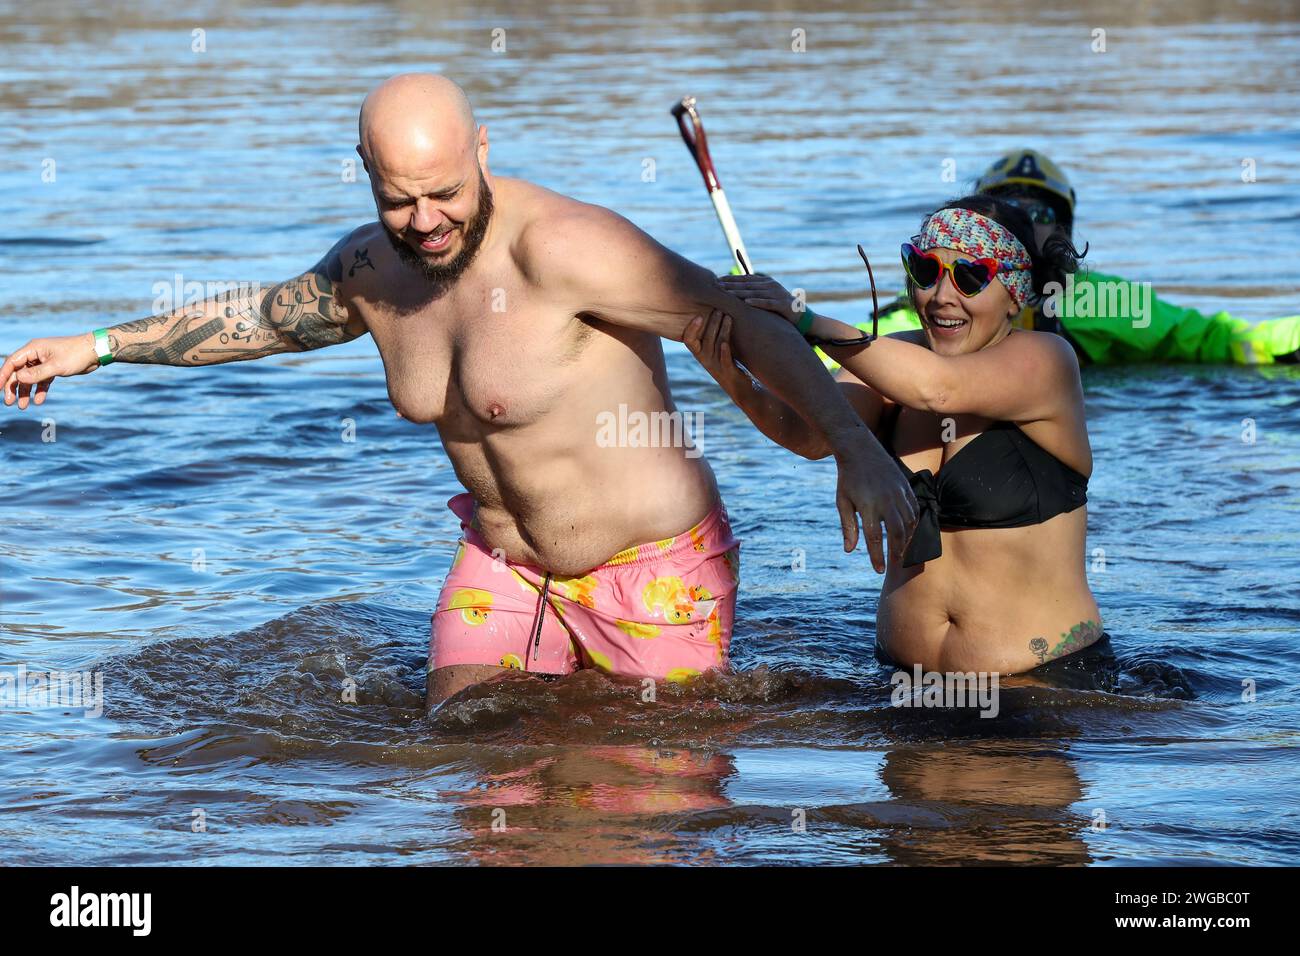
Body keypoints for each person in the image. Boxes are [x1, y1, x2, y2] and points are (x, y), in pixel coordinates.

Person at [0, 73, 917, 707]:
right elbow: (272, 319)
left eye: (443, 192)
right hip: (505, 563)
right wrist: (98, 346)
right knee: (470, 775)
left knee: (650, 802)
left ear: (481, 147)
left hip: (653, 571)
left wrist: (860, 450)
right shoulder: (371, 268)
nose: (426, 222)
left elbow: (741, 319)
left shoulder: (567, 247)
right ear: (364, 171)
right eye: (399, 200)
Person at [686, 194, 1105, 675]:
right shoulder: (891, 361)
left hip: (1041, 687)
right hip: (900, 682)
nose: (942, 296)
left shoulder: (1046, 360)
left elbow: (938, 390)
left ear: (1014, 294)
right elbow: (809, 435)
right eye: (926, 272)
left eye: (970, 277)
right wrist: (734, 377)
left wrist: (804, 319)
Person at [833, 149, 1300, 366]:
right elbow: (847, 357)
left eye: (1037, 213)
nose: (1022, 224)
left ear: (1064, 230)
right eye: (1007, 209)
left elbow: (1212, 337)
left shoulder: (1097, 299)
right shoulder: (930, 303)